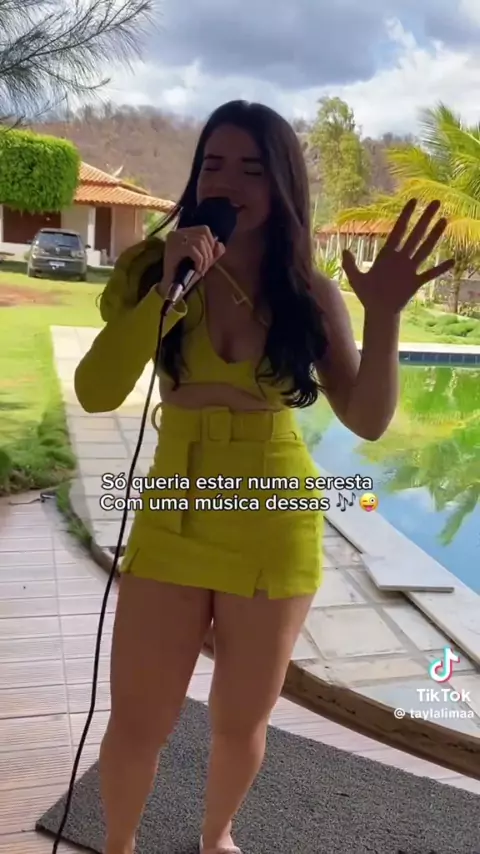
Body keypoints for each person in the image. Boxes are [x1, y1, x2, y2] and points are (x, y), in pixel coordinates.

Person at [74, 99, 454, 854]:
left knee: (240, 717)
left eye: (252, 168)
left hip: (274, 519)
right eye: (213, 164)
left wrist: (384, 318)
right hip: (174, 512)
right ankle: (117, 845)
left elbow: (366, 418)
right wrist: (167, 290)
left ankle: (216, 839)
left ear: (282, 186)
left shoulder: (307, 292)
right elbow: (95, 390)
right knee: (138, 718)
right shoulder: (155, 269)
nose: (228, 182)